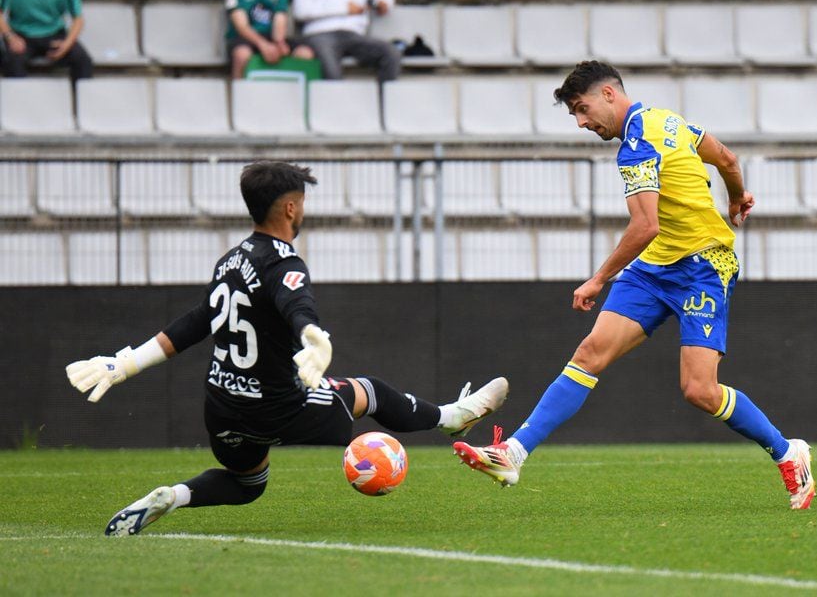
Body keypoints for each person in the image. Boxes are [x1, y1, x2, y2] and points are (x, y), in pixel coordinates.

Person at [66, 161, 508, 536]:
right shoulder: (284, 262)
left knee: (247, 484)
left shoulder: (230, 260)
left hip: (221, 407)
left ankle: (174, 496)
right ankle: (454, 418)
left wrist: (124, 364)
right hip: (277, 406)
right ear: (291, 207)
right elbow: (297, 304)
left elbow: (193, 324)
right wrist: (312, 335)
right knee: (369, 391)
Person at [453, 61, 816, 511]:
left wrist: (598, 279)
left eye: (583, 110)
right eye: (575, 116)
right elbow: (727, 159)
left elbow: (644, 225)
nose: (583, 122)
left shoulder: (637, 146)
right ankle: (513, 453)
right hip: (655, 267)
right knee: (589, 353)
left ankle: (788, 452)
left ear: (609, 94)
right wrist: (737, 196)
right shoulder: (670, 120)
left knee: (700, 390)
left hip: (704, 266)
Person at [293, 0, 400, 82]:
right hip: (320, 32)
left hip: (354, 34)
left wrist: (384, 3)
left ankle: (382, 106)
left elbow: (384, 1)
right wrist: (344, 8)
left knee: (390, 53)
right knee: (331, 70)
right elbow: (300, 11)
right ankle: (338, 106)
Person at [0, 0, 93, 81]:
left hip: (54, 34)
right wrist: (10, 37)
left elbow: (78, 19)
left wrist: (67, 43)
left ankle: (80, 98)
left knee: (82, 60)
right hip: (20, 35)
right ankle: (20, 98)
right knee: (11, 61)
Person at [225, 0, 315, 79]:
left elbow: (280, 18)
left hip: (271, 36)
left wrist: (279, 43)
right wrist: (263, 45)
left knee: (304, 53)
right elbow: (241, 26)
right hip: (245, 37)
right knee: (241, 54)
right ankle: (239, 91)